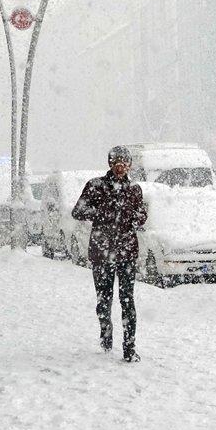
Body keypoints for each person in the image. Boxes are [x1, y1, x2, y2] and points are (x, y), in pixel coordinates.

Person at [72, 146, 148, 362]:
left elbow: (140, 216)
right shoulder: (96, 186)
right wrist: (103, 213)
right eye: (116, 162)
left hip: (126, 252)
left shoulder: (134, 189)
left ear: (130, 165)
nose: (120, 166)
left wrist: (139, 217)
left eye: (124, 162)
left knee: (127, 300)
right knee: (104, 300)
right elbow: (78, 211)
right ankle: (106, 334)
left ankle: (129, 348)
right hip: (102, 253)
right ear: (110, 163)